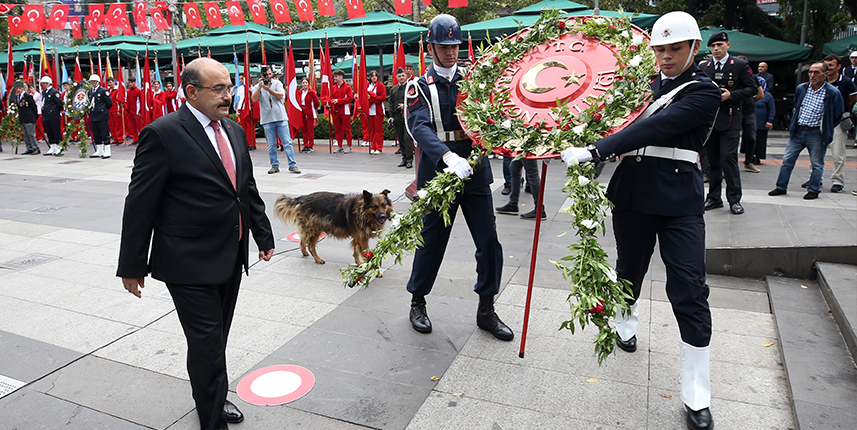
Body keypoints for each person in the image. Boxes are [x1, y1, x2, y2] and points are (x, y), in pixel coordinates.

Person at [561, 11, 720, 430]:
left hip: (679, 199)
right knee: (628, 269)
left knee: (689, 286)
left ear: (693, 49)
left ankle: (696, 395)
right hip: (632, 192)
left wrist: (596, 150)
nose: (665, 57)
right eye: (660, 50)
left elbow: (661, 126)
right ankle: (624, 322)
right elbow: (604, 117)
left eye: (674, 49)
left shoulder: (703, 91)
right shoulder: (639, 88)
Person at [117, 58, 275, 430]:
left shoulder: (234, 131)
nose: (228, 95)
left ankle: (214, 398)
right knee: (205, 343)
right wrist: (131, 265)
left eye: (230, 87)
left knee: (216, 338)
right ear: (191, 92)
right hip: (187, 261)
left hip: (230, 255)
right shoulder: (163, 133)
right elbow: (140, 203)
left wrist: (262, 234)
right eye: (218, 89)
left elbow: (245, 189)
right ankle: (211, 419)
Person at [404, 14, 513, 343]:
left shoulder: (475, 80)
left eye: (454, 45)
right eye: (443, 46)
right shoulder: (419, 87)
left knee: (489, 242)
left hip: (475, 170)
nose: (451, 52)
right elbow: (418, 126)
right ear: (431, 47)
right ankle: (418, 302)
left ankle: (486, 309)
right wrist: (447, 156)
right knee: (432, 241)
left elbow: (494, 114)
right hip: (440, 171)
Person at [700, 31, 758, 215]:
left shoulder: (739, 65)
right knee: (712, 162)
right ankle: (714, 197)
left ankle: (734, 199)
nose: (716, 49)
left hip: (731, 117)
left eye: (720, 45)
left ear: (728, 46)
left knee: (728, 158)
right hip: (710, 120)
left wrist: (731, 95)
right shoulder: (705, 67)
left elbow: (752, 89)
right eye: (713, 46)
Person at [768, 62, 844, 200]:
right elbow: (797, 105)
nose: (812, 75)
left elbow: (838, 114)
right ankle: (781, 186)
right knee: (787, 160)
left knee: (817, 163)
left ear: (825, 74)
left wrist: (826, 127)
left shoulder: (832, 92)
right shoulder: (802, 88)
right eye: (810, 72)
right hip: (798, 130)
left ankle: (814, 189)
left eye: (816, 72)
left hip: (816, 133)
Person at [251, 66, 300, 174]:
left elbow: (280, 95)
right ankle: (274, 165)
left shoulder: (277, 83)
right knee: (271, 144)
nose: (269, 76)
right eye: (266, 75)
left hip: (280, 117)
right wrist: (260, 87)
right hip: (267, 119)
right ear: (262, 76)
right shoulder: (257, 86)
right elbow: (254, 99)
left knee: (287, 142)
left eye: (270, 74)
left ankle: (292, 165)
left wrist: (268, 89)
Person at [823, 54, 857, 193]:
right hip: (820, 119)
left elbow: (853, 98)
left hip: (837, 120)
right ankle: (814, 178)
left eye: (831, 65)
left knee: (838, 152)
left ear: (838, 67)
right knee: (816, 151)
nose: (828, 68)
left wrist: (843, 110)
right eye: (826, 65)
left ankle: (838, 180)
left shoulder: (846, 81)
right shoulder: (821, 79)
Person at [737, 55, 764, 173]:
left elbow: (760, 94)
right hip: (735, 110)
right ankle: (728, 163)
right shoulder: (733, 77)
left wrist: (750, 102)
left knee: (751, 137)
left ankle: (749, 161)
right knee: (731, 137)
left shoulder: (752, 78)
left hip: (748, 111)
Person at [387, 67, 414, 168]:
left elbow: (414, 101)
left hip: (408, 116)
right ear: (396, 77)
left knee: (407, 138)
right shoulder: (394, 89)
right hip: (397, 117)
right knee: (401, 139)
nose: (401, 77)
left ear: (406, 76)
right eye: (399, 76)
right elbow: (391, 104)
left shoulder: (410, 87)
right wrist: (391, 117)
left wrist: (405, 106)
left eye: (403, 75)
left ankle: (409, 160)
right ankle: (404, 158)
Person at [87, 75, 113, 158]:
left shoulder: (103, 91)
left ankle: (107, 151)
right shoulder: (90, 92)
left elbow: (109, 103)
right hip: (94, 115)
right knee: (96, 133)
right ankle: (99, 150)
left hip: (102, 115)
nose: (93, 83)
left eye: (94, 81)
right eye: (92, 81)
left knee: (104, 133)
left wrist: (103, 110)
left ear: (98, 82)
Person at [330, 69, 354, 153]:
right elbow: (331, 98)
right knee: (337, 129)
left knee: (347, 129)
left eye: (336, 76)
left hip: (345, 111)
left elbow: (350, 98)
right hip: (336, 111)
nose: (334, 78)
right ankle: (339, 145)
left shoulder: (348, 87)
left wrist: (338, 101)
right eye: (334, 76)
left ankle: (349, 146)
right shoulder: (333, 87)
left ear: (341, 77)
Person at [14, 81, 40, 155]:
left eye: (19, 88)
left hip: (29, 117)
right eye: (17, 88)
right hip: (23, 118)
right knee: (25, 134)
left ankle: (35, 148)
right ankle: (29, 148)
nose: (18, 90)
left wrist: (35, 116)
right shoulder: (18, 97)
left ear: (23, 88)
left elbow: (33, 107)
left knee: (31, 134)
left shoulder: (28, 96)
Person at [753, 77, 775, 165]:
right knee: (750, 139)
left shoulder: (768, 96)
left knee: (760, 140)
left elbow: (772, 109)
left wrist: (770, 120)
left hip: (761, 122)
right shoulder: (751, 94)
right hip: (751, 121)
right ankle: (749, 156)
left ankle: (757, 157)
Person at [39, 76, 63, 156]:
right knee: (49, 131)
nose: (44, 85)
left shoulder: (54, 92)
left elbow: (59, 103)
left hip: (54, 115)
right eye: (43, 83)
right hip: (46, 114)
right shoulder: (44, 92)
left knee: (56, 131)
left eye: (45, 83)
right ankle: (52, 146)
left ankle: (59, 147)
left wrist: (56, 111)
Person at [366, 70, 387, 154]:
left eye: (375, 75)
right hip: (370, 110)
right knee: (371, 130)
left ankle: (378, 147)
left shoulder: (381, 86)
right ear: (370, 77)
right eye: (372, 76)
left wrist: (371, 98)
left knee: (378, 130)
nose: (374, 77)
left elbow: (382, 98)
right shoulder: (367, 86)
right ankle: (372, 146)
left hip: (378, 110)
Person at [298, 77, 319, 153]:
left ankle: (310, 145)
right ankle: (305, 144)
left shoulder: (311, 92)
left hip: (309, 112)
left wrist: (313, 108)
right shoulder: (299, 92)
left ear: (308, 84)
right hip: (302, 112)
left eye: (306, 83)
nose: (304, 84)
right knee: (304, 130)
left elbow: (317, 102)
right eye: (303, 83)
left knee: (310, 130)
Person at [106, 77, 124, 145]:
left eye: (110, 82)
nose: (109, 84)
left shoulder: (117, 90)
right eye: (108, 83)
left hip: (116, 109)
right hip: (110, 110)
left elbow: (119, 101)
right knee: (112, 125)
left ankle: (120, 139)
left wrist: (119, 110)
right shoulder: (108, 90)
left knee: (118, 125)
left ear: (114, 82)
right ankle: (115, 138)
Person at [125, 77, 143, 143]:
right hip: (130, 111)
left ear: (134, 83)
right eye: (129, 82)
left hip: (136, 112)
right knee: (133, 127)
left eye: (131, 82)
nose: (130, 84)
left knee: (139, 126)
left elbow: (141, 101)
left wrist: (140, 111)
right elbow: (127, 101)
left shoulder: (138, 91)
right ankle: (135, 139)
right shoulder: (128, 91)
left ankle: (141, 140)